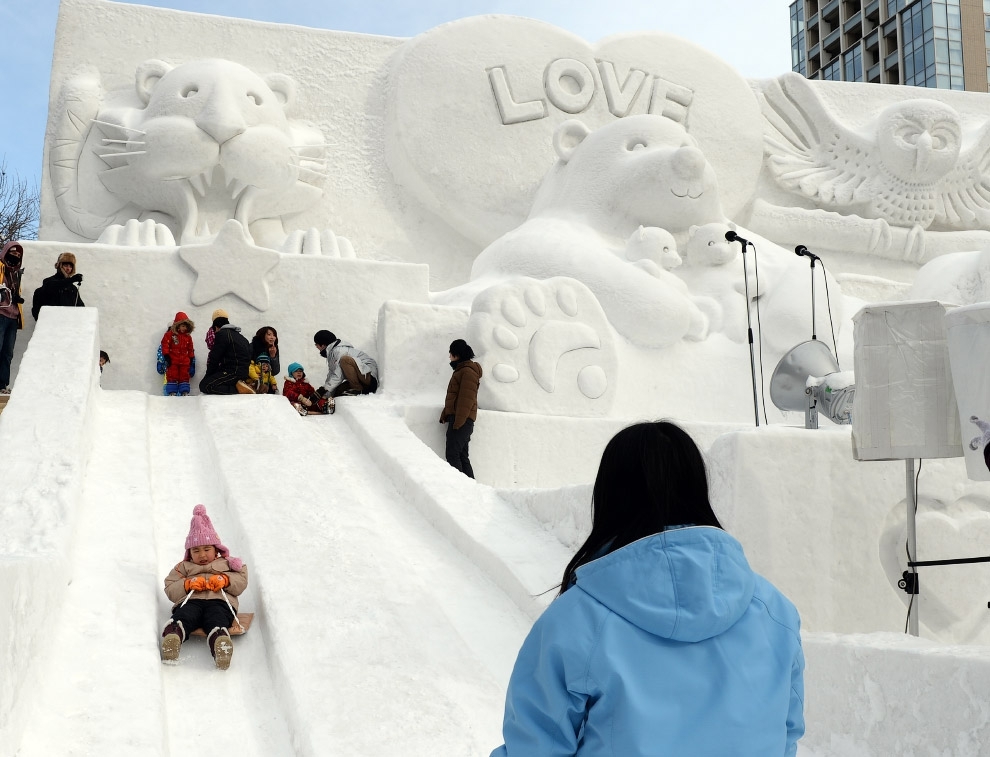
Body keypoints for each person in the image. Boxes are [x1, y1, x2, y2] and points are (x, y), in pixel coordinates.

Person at [491, 421, 805, 757]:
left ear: (610, 496)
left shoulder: (575, 620)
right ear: (698, 489)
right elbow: (785, 733)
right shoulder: (775, 612)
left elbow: (535, 748)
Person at [161, 504, 248, 670]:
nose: (201, 555)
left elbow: (241, 580)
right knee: (185, 615)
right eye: (195, 551)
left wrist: (226, 580)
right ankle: (173, 636)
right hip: (192, 600)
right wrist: (187, 584)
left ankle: (220, 643)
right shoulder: (184, 567)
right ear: (189, 553)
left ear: (216, 550)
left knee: (217, 617)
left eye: (207, 549)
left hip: (219, 601)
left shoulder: (227, 564)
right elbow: (170, 587)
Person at [439, 339, 482, 478]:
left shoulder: (467, 372)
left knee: (452, 454)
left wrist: (458, 421)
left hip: (462, 421)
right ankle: (471, 489)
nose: (449, 356)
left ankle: (459, 489)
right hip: (460, 419)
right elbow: (456, 397)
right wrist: (446, 413)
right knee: (462, 456)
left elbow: (466, 399)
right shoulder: (462, 370)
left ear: (457, 354)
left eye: (450, 353)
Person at [313, 329, 378, 398]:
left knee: (345, 360)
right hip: (360, 378)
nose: (316, 347)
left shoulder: (340, 351)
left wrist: (322, 390)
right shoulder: (331, 354)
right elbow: (332, 375)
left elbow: (338, 376)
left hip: (368, 377)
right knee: (338, 392)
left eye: (316, 344)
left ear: (323, 345)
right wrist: (325, 395)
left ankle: (358, 390)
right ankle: (358, 389)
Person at [199, 314, 252, 395]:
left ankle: (239, 389)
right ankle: (241, 385)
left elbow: (214, 357)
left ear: (216, 327)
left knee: (205, 385)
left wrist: (208, 375)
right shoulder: (241, 336)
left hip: (232, 372)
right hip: (242, 372)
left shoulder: (222, 334)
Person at [0, 242, 26, 394]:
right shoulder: (1, 267)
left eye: (18, 256)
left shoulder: (16, 273)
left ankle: (2, 384)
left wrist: (17, 299)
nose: (15, 257)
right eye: (13, 253)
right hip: (1, 313)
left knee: (7, 353)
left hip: (13, 317)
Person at [31, 252, 85, 320]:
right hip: (50, 323)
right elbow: (52, 286)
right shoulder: (48, 281)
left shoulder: (73, 289)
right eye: (66, 265)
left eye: (70, 266)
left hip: (68, 325)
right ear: (60, 265)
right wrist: (71, 280)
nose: (68, 269)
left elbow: (81, 307)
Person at [160, 311, 196, 396]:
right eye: (183, 326)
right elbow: (165, 344)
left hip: (184, 361)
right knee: (172, 375)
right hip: (173, 360)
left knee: (184, 376)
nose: (184, 328)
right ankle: (172, 392)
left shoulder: (188, 337)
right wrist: (166, 355)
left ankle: (184, 391)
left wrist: (191, 358)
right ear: (177, 325)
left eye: (186, 326)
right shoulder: (170, 335)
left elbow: (190, 348)